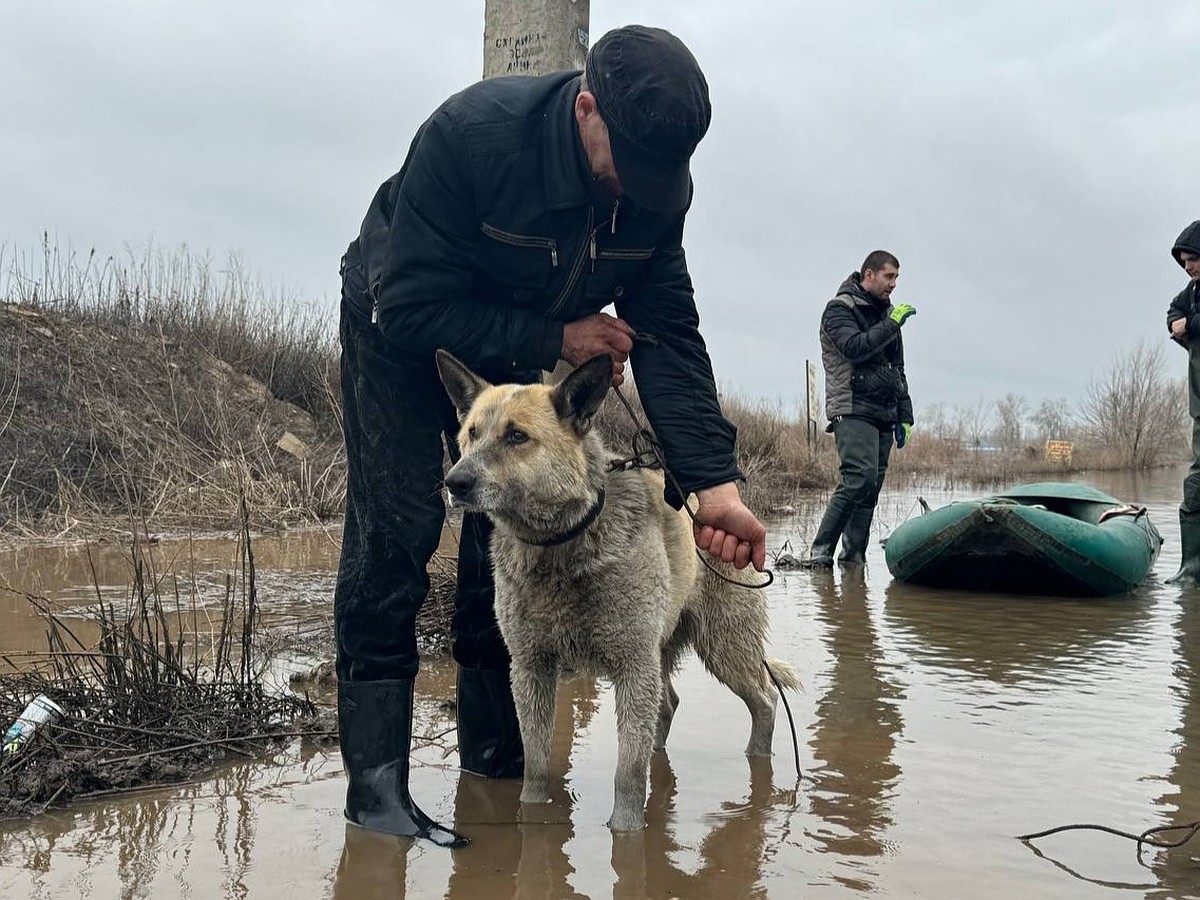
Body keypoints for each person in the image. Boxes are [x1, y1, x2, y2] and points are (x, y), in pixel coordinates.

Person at [334, 24, 767, 848]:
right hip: (399, 318)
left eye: (658, 178)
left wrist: (717, 486)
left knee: (500, 546)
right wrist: (558, 335)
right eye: (629, 165)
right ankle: (377, 790)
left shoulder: (651, 195)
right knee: (396, 530)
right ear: (587, 108)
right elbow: (411, 307)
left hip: (521, 332)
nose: (636, 190)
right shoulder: (471, 138)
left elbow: (669, 337)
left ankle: (496, 767)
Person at [803, 251, 915, 567]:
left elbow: (898, 368)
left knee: (871, 489)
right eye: (888, 276)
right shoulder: (839, 309)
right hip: (851, 406)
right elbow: (854, 348)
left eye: (896, 277)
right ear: (868, 275)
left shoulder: (890, 315)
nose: (893, 284)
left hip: (884, 411)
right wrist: (892, 324)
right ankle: (820, 551)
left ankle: (853, 559)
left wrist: (905, 415)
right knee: (859, 478)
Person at [1165, 220, 1200, 584]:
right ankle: (1192, 570)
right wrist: (1182, 322)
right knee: (1195, 486)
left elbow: (1187, 324)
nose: (1188, 266)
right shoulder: (1191, 293)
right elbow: (1172, 314)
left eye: (1193, 258)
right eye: (1184, 261)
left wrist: (1190, 325)